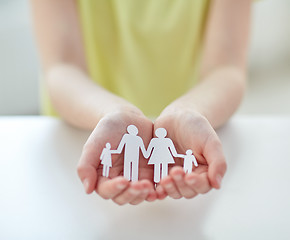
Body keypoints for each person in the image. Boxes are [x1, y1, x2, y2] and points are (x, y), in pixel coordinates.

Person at [30, 0, 251, 205]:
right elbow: (62, 68)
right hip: (75, 141)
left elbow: (226, 68)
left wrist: (189, 111)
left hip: (192, 141)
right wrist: (113, 113)